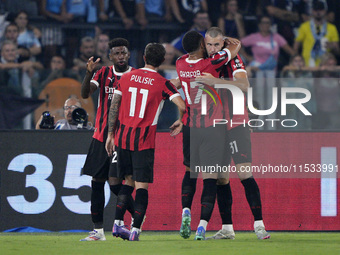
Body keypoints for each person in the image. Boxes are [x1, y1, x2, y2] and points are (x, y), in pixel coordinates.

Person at [105, 43, 186, 241]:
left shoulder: (126, 77)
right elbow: (181, 104)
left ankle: (116, 225)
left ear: (143, 57)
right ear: (163, 61)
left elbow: (114, 106)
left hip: (123, 138)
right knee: (141, 187)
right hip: (144, 142)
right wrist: (181, 120)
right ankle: (135, 230)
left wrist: (110, 134)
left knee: (127, 182)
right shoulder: (161, 83)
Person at [195, 27, 270, 239]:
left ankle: (259, 226)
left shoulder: (234, 60)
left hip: (236, 122)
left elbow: (244, 85)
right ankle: (227, 228)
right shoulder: (205, 61)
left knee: (245, 173)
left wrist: (215, 82)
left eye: (216, 45)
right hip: (215, 126)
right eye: (209, 45)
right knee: (220, 179)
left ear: (223, 44)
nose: (212, 49)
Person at [175, 30, 240, 240]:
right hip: (212, 127)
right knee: (211, 177)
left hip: (190, 126)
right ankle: (202, 225)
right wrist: (227, 42)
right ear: (203, 44)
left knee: (190, 171)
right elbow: (235, 47)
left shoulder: (180, 63)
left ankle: (186, 209)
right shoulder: (210, 64)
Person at [80, 38, 135, 241]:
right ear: (110, 56)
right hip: (101, 135)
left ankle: (138, 215)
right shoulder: (103, 73)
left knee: (114, 184)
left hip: (123, 138)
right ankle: (98, 231)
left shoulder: (135, 76)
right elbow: (85, 94)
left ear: (128, 54)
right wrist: (88, 73)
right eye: (117, 53)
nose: (121, 56)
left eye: (124, 53)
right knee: (96, 182)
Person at [294, 0, 339, 67]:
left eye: (321, 10)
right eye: (316, 10)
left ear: (325, 11)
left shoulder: (332, 28)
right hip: (307, 65)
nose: (318, 12)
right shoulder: (304, 26)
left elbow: (338, 51)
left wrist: (332, 46)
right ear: (312, 11)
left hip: (325, 66)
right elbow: (296, 46)